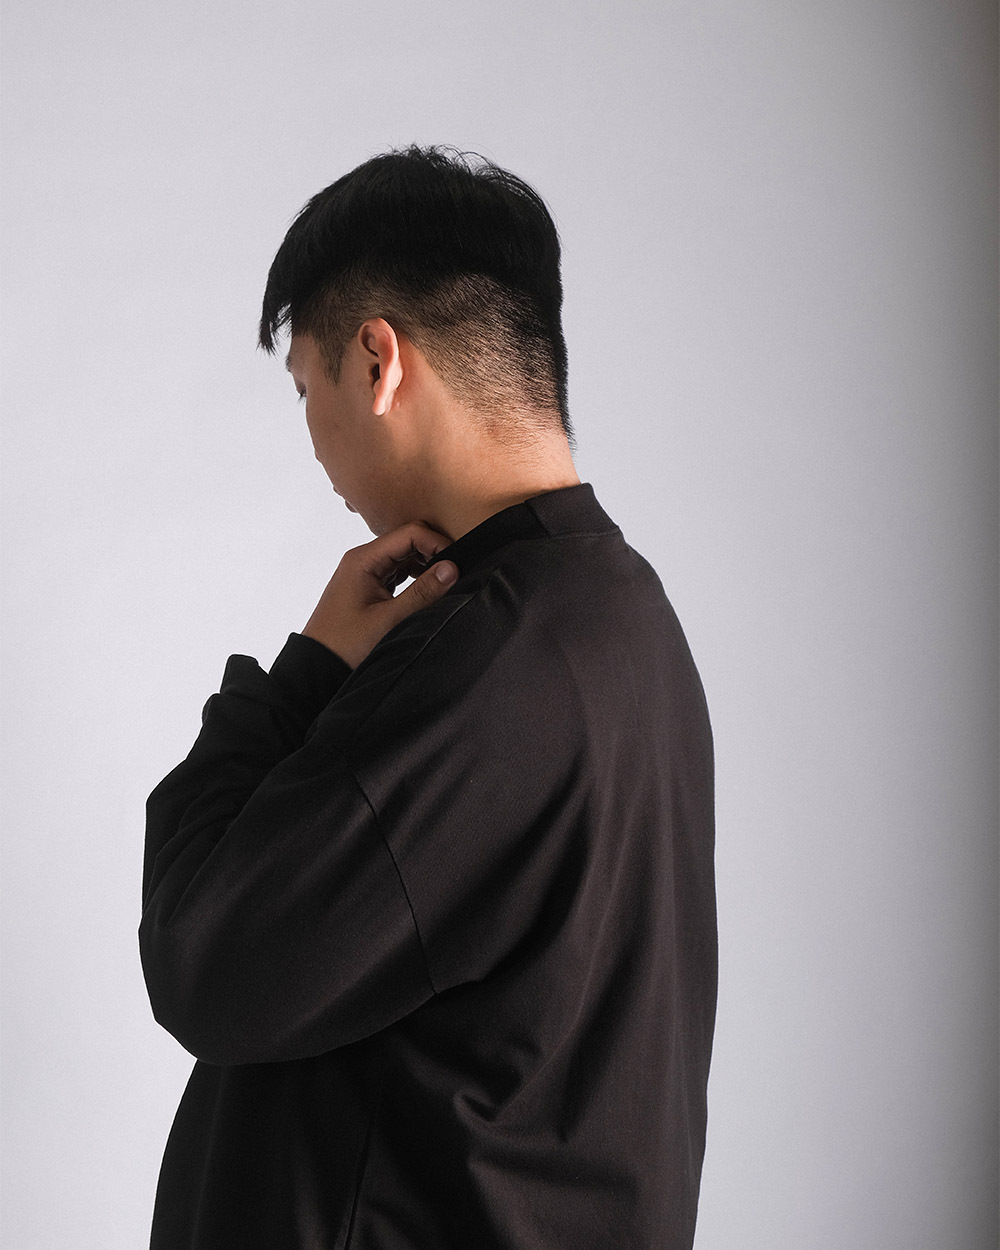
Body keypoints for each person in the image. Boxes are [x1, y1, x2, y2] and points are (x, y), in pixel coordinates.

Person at [140, 144, 717, 1250]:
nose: (313, 440)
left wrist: (308, 670)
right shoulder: (626, 615)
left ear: (376, 361)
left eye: (305, 388)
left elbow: (204, 959)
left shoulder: (484, 660)